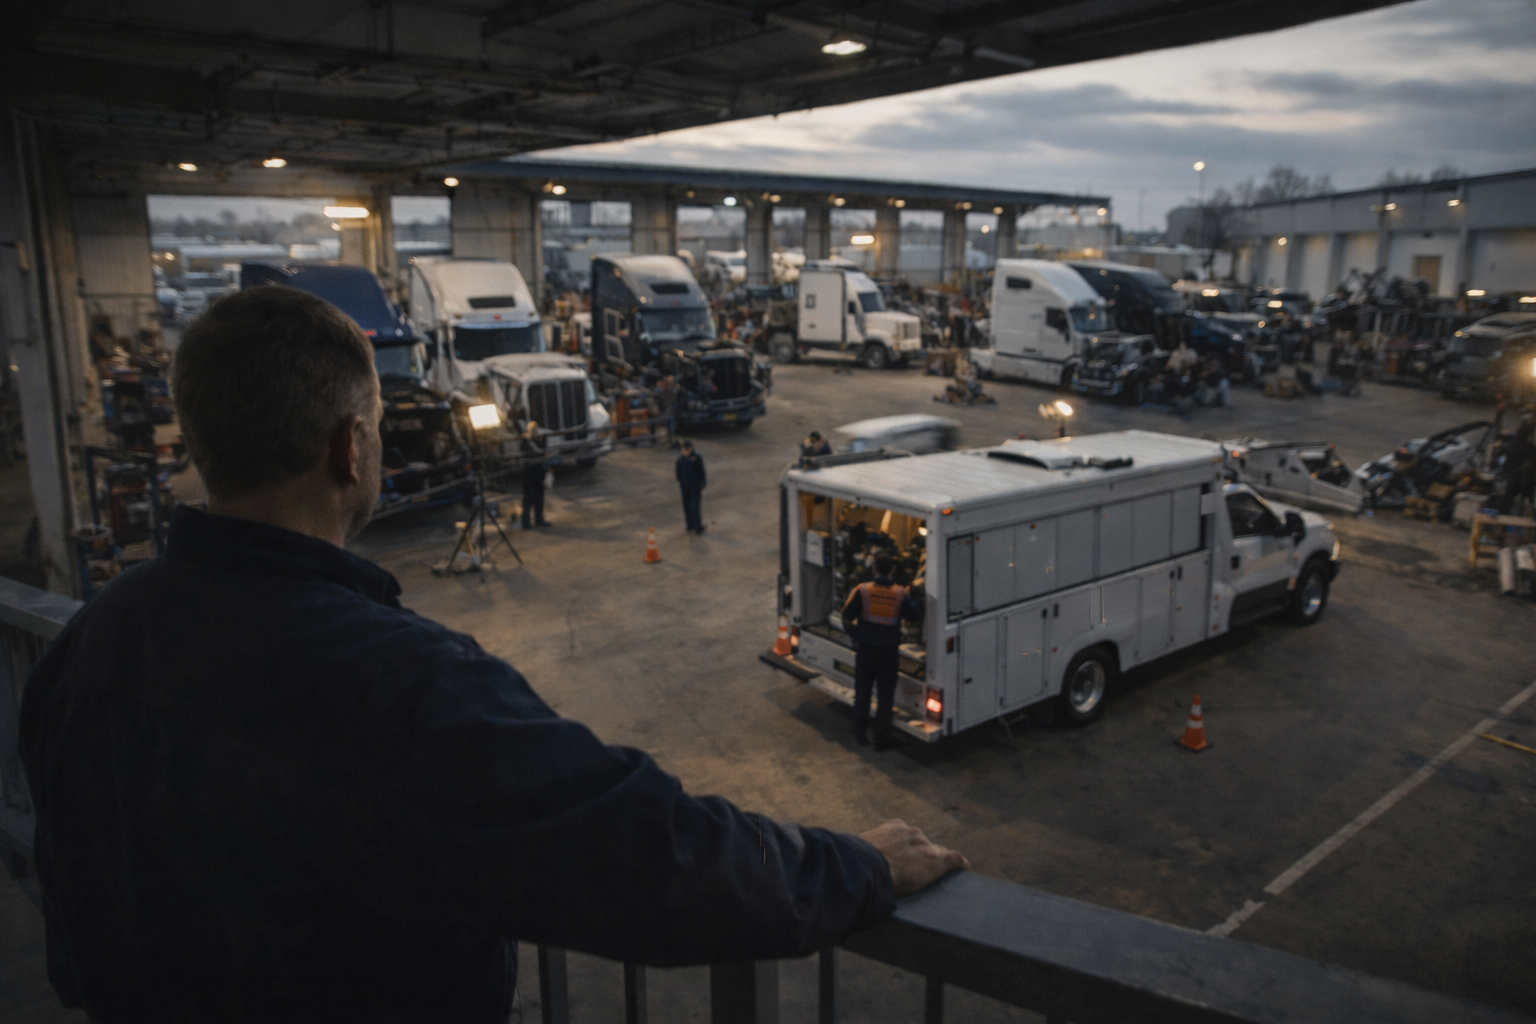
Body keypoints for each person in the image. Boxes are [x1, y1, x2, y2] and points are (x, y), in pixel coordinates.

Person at [18, 287, 967, 1023]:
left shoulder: (93, 639)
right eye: (381, 429)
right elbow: (646, 856)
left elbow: (68, 915)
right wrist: (855, 868)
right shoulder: (394, 681)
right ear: (351, 450)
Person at [842, 554, 923, 751]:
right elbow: (915, 617)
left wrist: (857, 636)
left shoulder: (862, 591)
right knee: (885, 696)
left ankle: (860, 732)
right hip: (888, 653)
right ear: (893, 571)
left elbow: (846, 617)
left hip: (866, 651)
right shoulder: (900, 594)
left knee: (863, 692)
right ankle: (881, 739)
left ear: (874, 569)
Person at [519, 420, 549, 528]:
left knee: (538, 497)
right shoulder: (526, 441)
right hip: (529, 473)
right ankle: (526, 522)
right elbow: (539, 452)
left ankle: (538, 519)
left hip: (537, 472)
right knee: (528, 498)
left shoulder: (535, 441)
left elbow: (542, 451)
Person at [676, 438, 706, 534]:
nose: (687, 451)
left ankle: (698, 526)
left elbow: (701, 471)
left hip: (695, 485)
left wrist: (703, 482)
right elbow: (678, 473)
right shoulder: (680, 459)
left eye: (688, 449)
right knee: (687, 506)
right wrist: (682, 481)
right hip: (685, 486)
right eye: (685, 449)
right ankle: (690, 525)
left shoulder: (697, 458)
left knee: (694, 506)